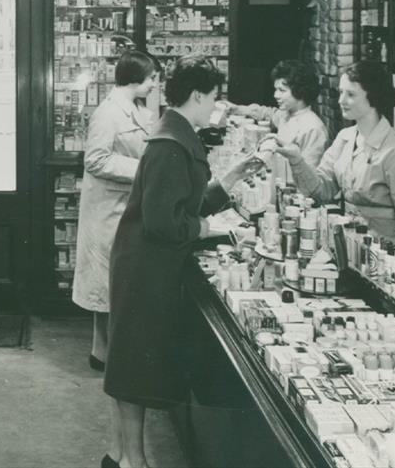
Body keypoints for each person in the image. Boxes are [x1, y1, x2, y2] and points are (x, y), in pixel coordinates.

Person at [103, 55, 263, 468]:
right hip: (144, 267)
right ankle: (131, 461)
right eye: (213, 97)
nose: (216, 106)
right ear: (196, 95)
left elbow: (186, 203)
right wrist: (211, 231)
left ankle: (122, 455)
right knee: (133, 365)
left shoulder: (177, 135)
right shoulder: (169, 144)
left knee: (132, 361)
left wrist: (232, 177)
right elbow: (163, 223)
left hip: (149, 263)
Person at [270, 60, 395, 261]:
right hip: (349, 254)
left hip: (382, 262)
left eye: (351, 94)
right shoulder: (345, 138)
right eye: (341, 92)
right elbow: (321, 190)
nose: (341, 100)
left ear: (373, 96)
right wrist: (297, 159)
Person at [72, 51, 159, 372]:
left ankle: (105, 354)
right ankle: (106, 355)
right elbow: (95, 159)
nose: (154, 85)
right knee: (108, 287)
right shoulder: (107, 114)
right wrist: (145, 168)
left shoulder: (137, 110)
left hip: (125, 207)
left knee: (113, 287)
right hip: (108, 211)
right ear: (135, 78)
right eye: (151, 79)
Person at [228, 59, 328, 169]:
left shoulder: (313, 129)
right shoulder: (287, 113)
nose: (275, 95)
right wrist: (237, 109)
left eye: (282, 90)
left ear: (300, 91)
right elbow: (268, 113)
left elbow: (311, 175)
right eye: (276, 89)